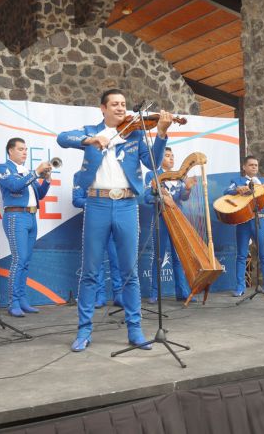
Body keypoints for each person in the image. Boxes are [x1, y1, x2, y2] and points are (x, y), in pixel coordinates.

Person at [57, 88, 173, 352]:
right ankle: (84, 331)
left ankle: (135, 330)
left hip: (127, 204)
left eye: (123, 104)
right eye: (115, 104)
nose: (121, 108)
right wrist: (92, 139)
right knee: (90, 270)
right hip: (97, 202)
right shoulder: (91, 129)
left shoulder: (135, 132)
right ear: (103, 108)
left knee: (129, 271)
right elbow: (62, 138)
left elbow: (154, 162)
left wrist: (162, 133)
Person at [0, 138, 52, 317]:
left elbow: (40, 195)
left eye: (26, 149)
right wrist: (36, 172)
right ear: (10, 151)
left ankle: (21, 298)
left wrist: (47, 180)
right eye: (21, 149)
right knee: (19, 259)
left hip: (31, 216)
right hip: (15, 216)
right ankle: (13, 302)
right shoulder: (3, 168)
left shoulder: (27, 171)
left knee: (25, 261)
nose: (25, 152)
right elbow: (14, 185)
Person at [143, 147, 194, 303]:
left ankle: (182, 292)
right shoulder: (152, 175)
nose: (171, 158)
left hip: (177, 219)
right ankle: (154, 293)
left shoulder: (179, 177)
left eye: (172, 155)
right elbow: (146, 197)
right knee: (158, 257)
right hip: (161, 218)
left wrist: (187, 189)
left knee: (178, 257)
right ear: (159, 159)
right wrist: (161, 198)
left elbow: (183, 198)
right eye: (167, 155)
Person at [223, 156, 264, 297]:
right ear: (244, 167)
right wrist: (237, 189)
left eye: (256, 165)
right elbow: (226, 192)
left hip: (259, 220)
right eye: (251, 165)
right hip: (243, 222)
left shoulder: (263, 182)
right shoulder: (237, 181)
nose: (254, 167)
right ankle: (240, 287)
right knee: (241, 255)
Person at [71, 171, 124, 309]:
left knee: (116, 258)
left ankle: (119, 294)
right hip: (94, 222)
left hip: (114, 220)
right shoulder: (80, 175)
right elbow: (76, 200)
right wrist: (98, 202)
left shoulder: (111, 172)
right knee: (97, 261)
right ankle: (100, 296)